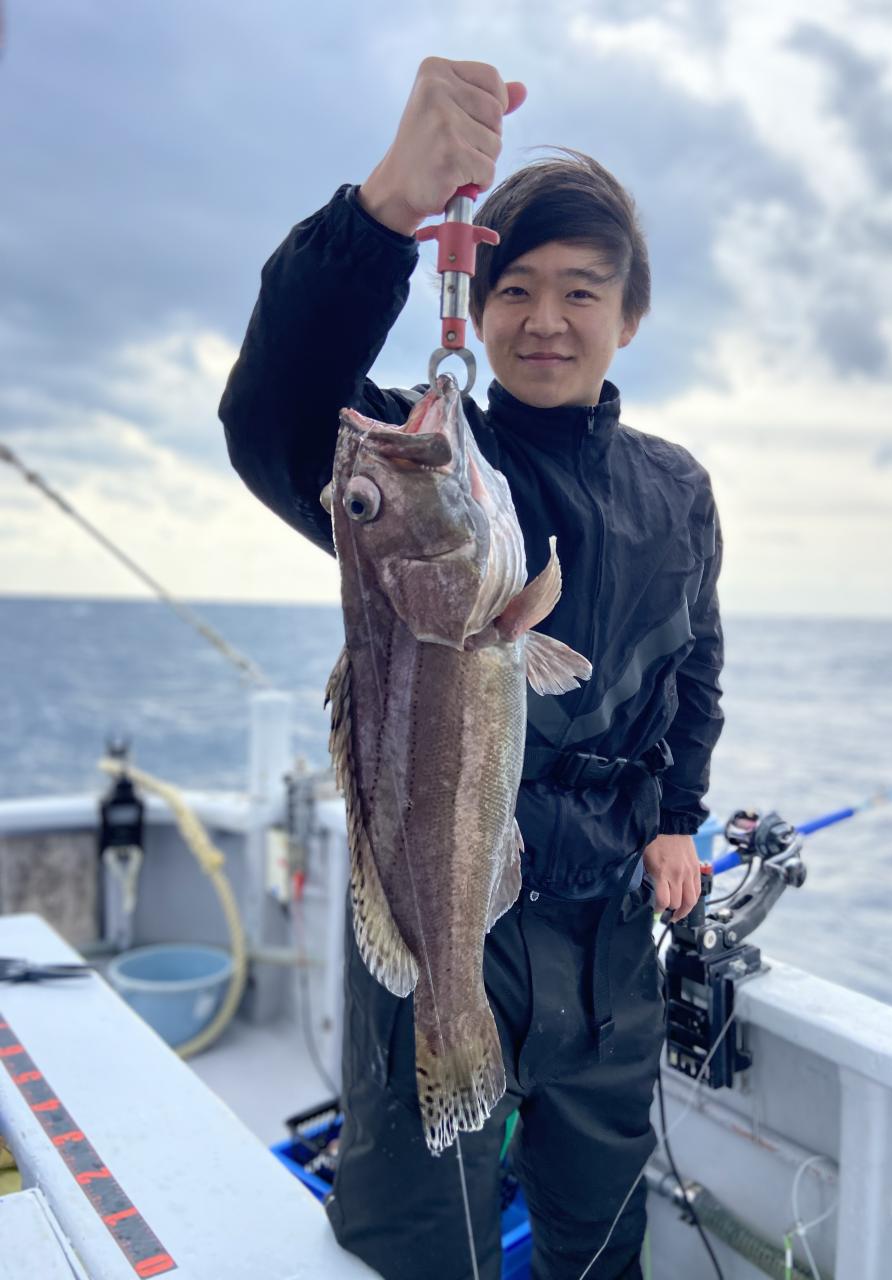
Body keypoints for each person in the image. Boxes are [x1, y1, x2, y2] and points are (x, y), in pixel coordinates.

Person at [219, 57, 723, 1280]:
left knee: (598, 1236)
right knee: (418, 1243)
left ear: (630, 315)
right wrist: (386, 210)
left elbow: (695, 665)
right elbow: (275, 419)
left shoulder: (676, 489)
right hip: (446, 904)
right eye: (516, 289)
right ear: (477, 307)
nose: (546, 319)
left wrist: (676, 818)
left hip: (607, 929)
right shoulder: (427, 466)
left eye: (581, 290)